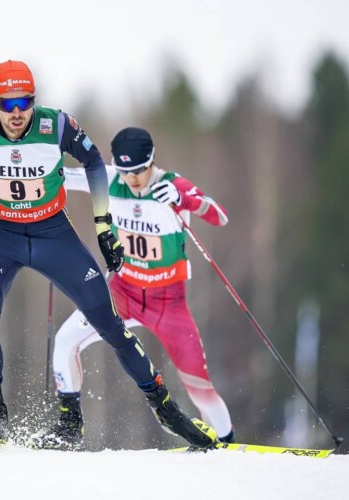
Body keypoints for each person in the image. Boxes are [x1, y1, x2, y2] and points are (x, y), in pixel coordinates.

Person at [0, 61, 217, 450]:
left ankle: (167, 411)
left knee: (109, 324)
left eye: (25, 102)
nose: (17, 113)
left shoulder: (56, 126)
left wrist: (104, 227)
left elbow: (95, 162)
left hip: (53, 235)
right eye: (8, 103)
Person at [36, 127, 235, 449]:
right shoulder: (110, 178)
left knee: (199, 384)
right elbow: (55, 175)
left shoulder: (171, 185)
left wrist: (184, 200)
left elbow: (219, 216)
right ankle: (70, 426)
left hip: (167, 301)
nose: (132, 179)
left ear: (152, 161)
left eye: (139, 171)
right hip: (122, 294)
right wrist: (44, 158)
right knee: (64, 340)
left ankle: (228, 442)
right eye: (126, 171)